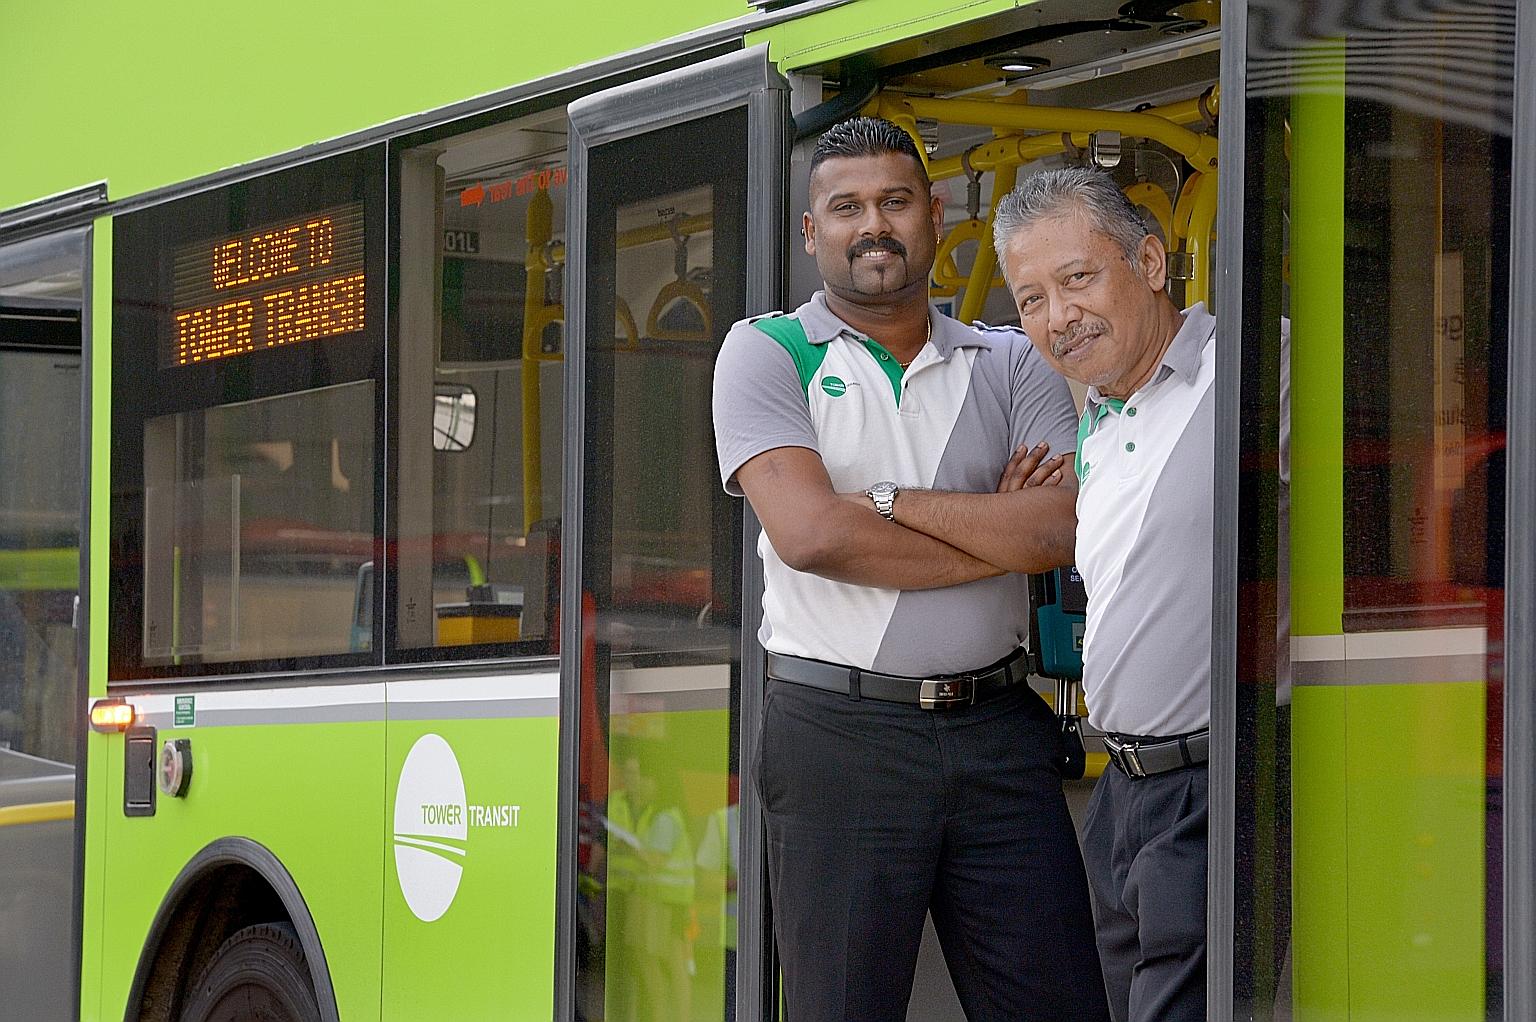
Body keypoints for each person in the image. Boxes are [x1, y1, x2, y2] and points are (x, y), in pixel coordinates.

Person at [711, 116, 1108, 1022]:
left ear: (934, 215)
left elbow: (1058, 530)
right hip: (839, 738)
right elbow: (810, 535)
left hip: (1002, 730)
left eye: (894, 202)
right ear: (813, 234)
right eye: (845, 208)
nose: (872, 225)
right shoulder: (765, 353)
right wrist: (991, 530)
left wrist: (884, 503)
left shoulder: (1011, 359)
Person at [991, 165, 1215, 1022]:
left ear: (1151, 264)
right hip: (1120, 794)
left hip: (1206, 780)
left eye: (1078, 278)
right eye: (1032, 299)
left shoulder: (1247, 371)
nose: (1057, 317)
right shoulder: (1098, 415)